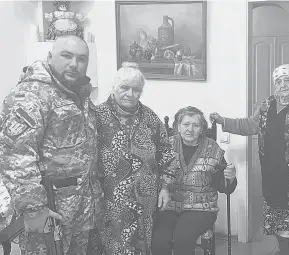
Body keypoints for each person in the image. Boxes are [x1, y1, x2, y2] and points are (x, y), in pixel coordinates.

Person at [0, 35, 102, 254]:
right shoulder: (30, 95)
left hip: (80, 211)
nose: (74, 64)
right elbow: (15, 155)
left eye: (81, 59)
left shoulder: (80, 94)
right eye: (67, 56)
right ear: (49, 57)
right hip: (48, 214)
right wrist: (34, 208)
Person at [210, 64, 289, 255]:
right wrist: (223, 121)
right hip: (272, 174)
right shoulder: (267, 104)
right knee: (278, 223)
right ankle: (284, 252)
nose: (283, 85)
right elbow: (250, 125)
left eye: (287, 80)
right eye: (278, 82)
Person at [88, 62, 175, 255]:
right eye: (124, 88)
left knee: (142, 247)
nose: (130, 94)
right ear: (114, 87)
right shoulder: (97, 116)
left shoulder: (150, 118)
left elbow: (165, 153)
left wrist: (165, 187)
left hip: (145, 200)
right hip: (109, 201)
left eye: (136, 89)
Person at [151, 106, 237, 255]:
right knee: (158, 239)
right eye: (185, 124)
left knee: (183, 238)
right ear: (178, 126)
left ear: (202, 129)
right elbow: (154, 175)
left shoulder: (212, 148)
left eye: (195, 125)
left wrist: (230, 177)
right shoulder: (166, 146)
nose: (190, 129)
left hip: (201, 208)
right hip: (169, 205)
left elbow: (224, 187)